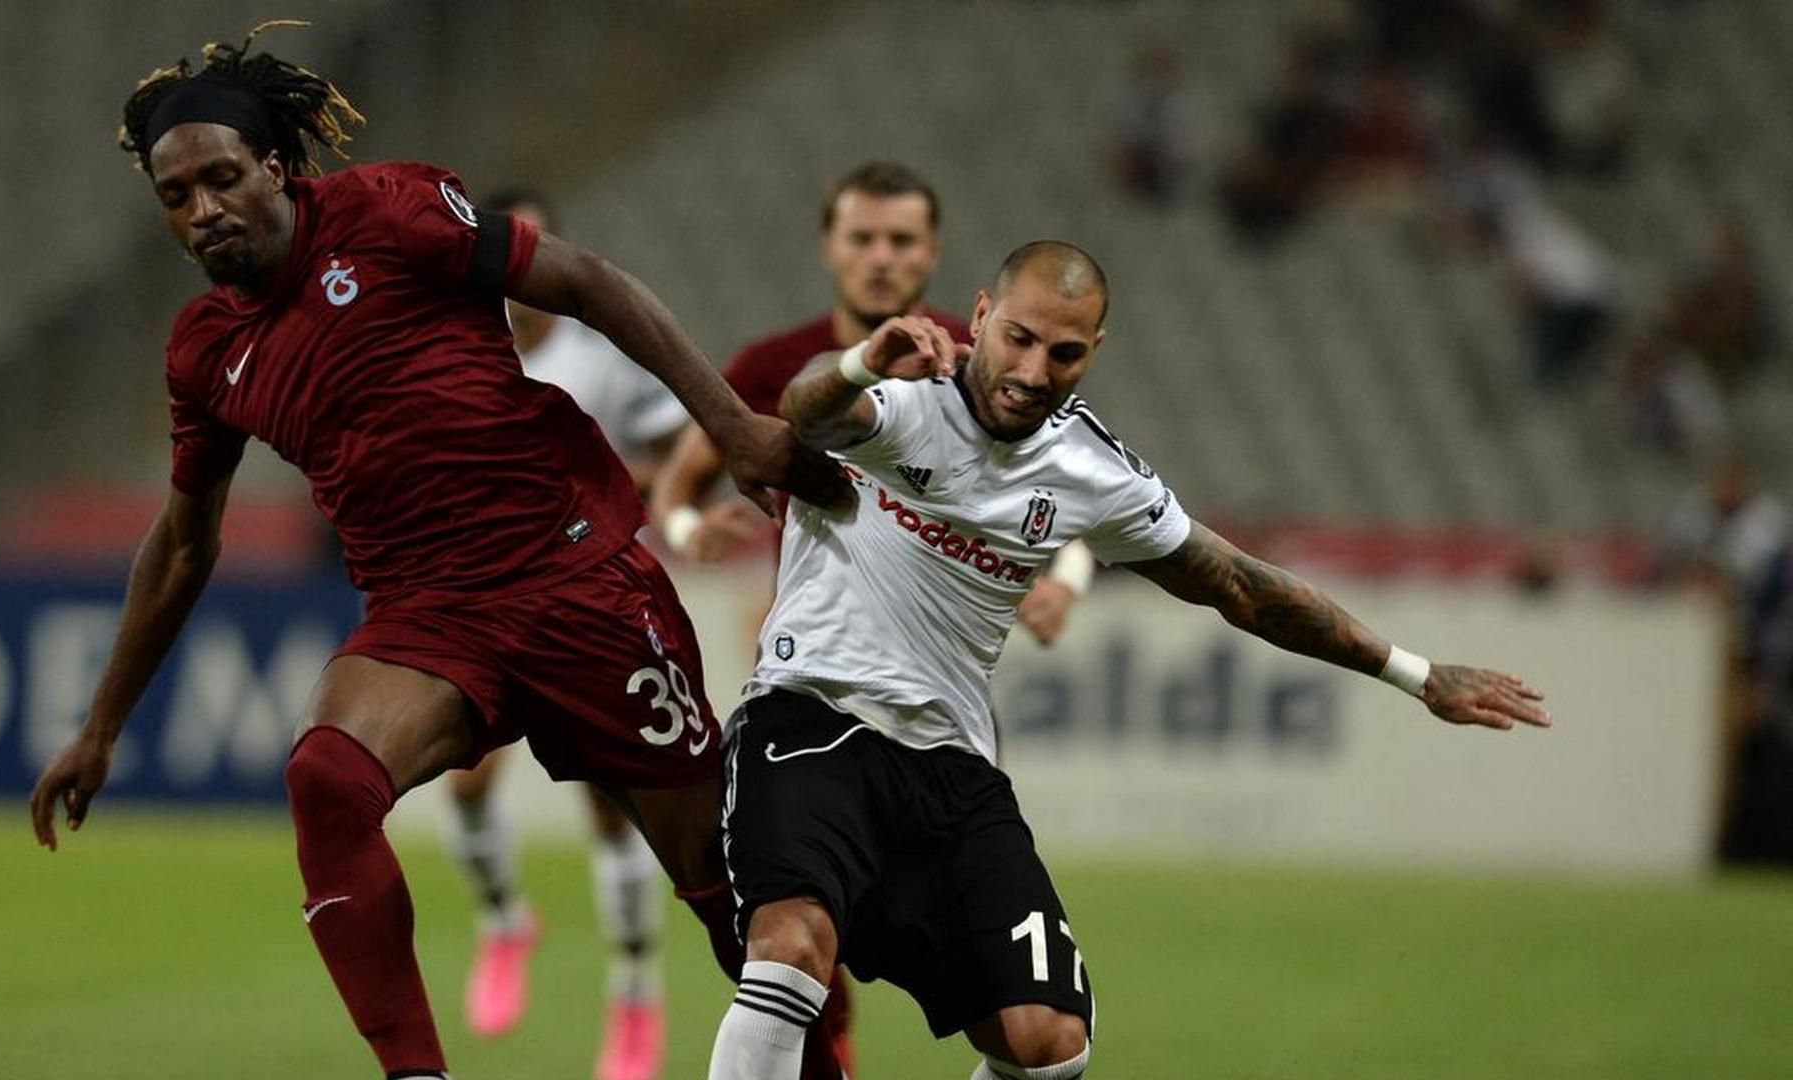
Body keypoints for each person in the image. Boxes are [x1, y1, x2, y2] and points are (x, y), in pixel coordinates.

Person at [24, 24, 852, 1080]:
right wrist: (101, 727)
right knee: (326, 776)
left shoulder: (388, 211)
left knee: (723, 887)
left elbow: (587, 281)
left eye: (221, 179)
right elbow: (186, 544)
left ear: (274, 165)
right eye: (175, 197)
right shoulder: (205, 353)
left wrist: (731, 426)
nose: (203, 210)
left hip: (575, 580)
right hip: (429, 620)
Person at [706, 241, 1551, 1080]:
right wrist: (862, 360)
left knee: (1051, 1047)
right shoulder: (904, 399)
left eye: (1064, 353)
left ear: (1095, 351)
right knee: (792, 948)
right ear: (981, 316)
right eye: (1020, 338)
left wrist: (1415, 673)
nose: (1034, 371)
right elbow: (808, 409)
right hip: (811, 719)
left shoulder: (1091, 470)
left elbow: (1240, 586)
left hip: (948, 764)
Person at [444, 187, 688, 1079]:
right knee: (465, 785)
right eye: (511, 245)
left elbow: (674, 457)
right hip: (483, 596)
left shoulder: (603, 356)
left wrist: (625, 488)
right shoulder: (452, 349)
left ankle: (634, 991)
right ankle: (506, 921)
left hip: (591, 599)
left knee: (611, 807)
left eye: (540, 243)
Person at [651, 161, 1093, 651]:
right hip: (804, 646)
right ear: (829, 248)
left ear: (932, 252)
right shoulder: (771, 366)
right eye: (862, 239)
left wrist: (1066, 582)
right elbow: (677, 484)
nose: (881, 258)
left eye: (901, 241)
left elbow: (1072, 484)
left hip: (937, 655)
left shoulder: (980, 360)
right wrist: (688, 531)